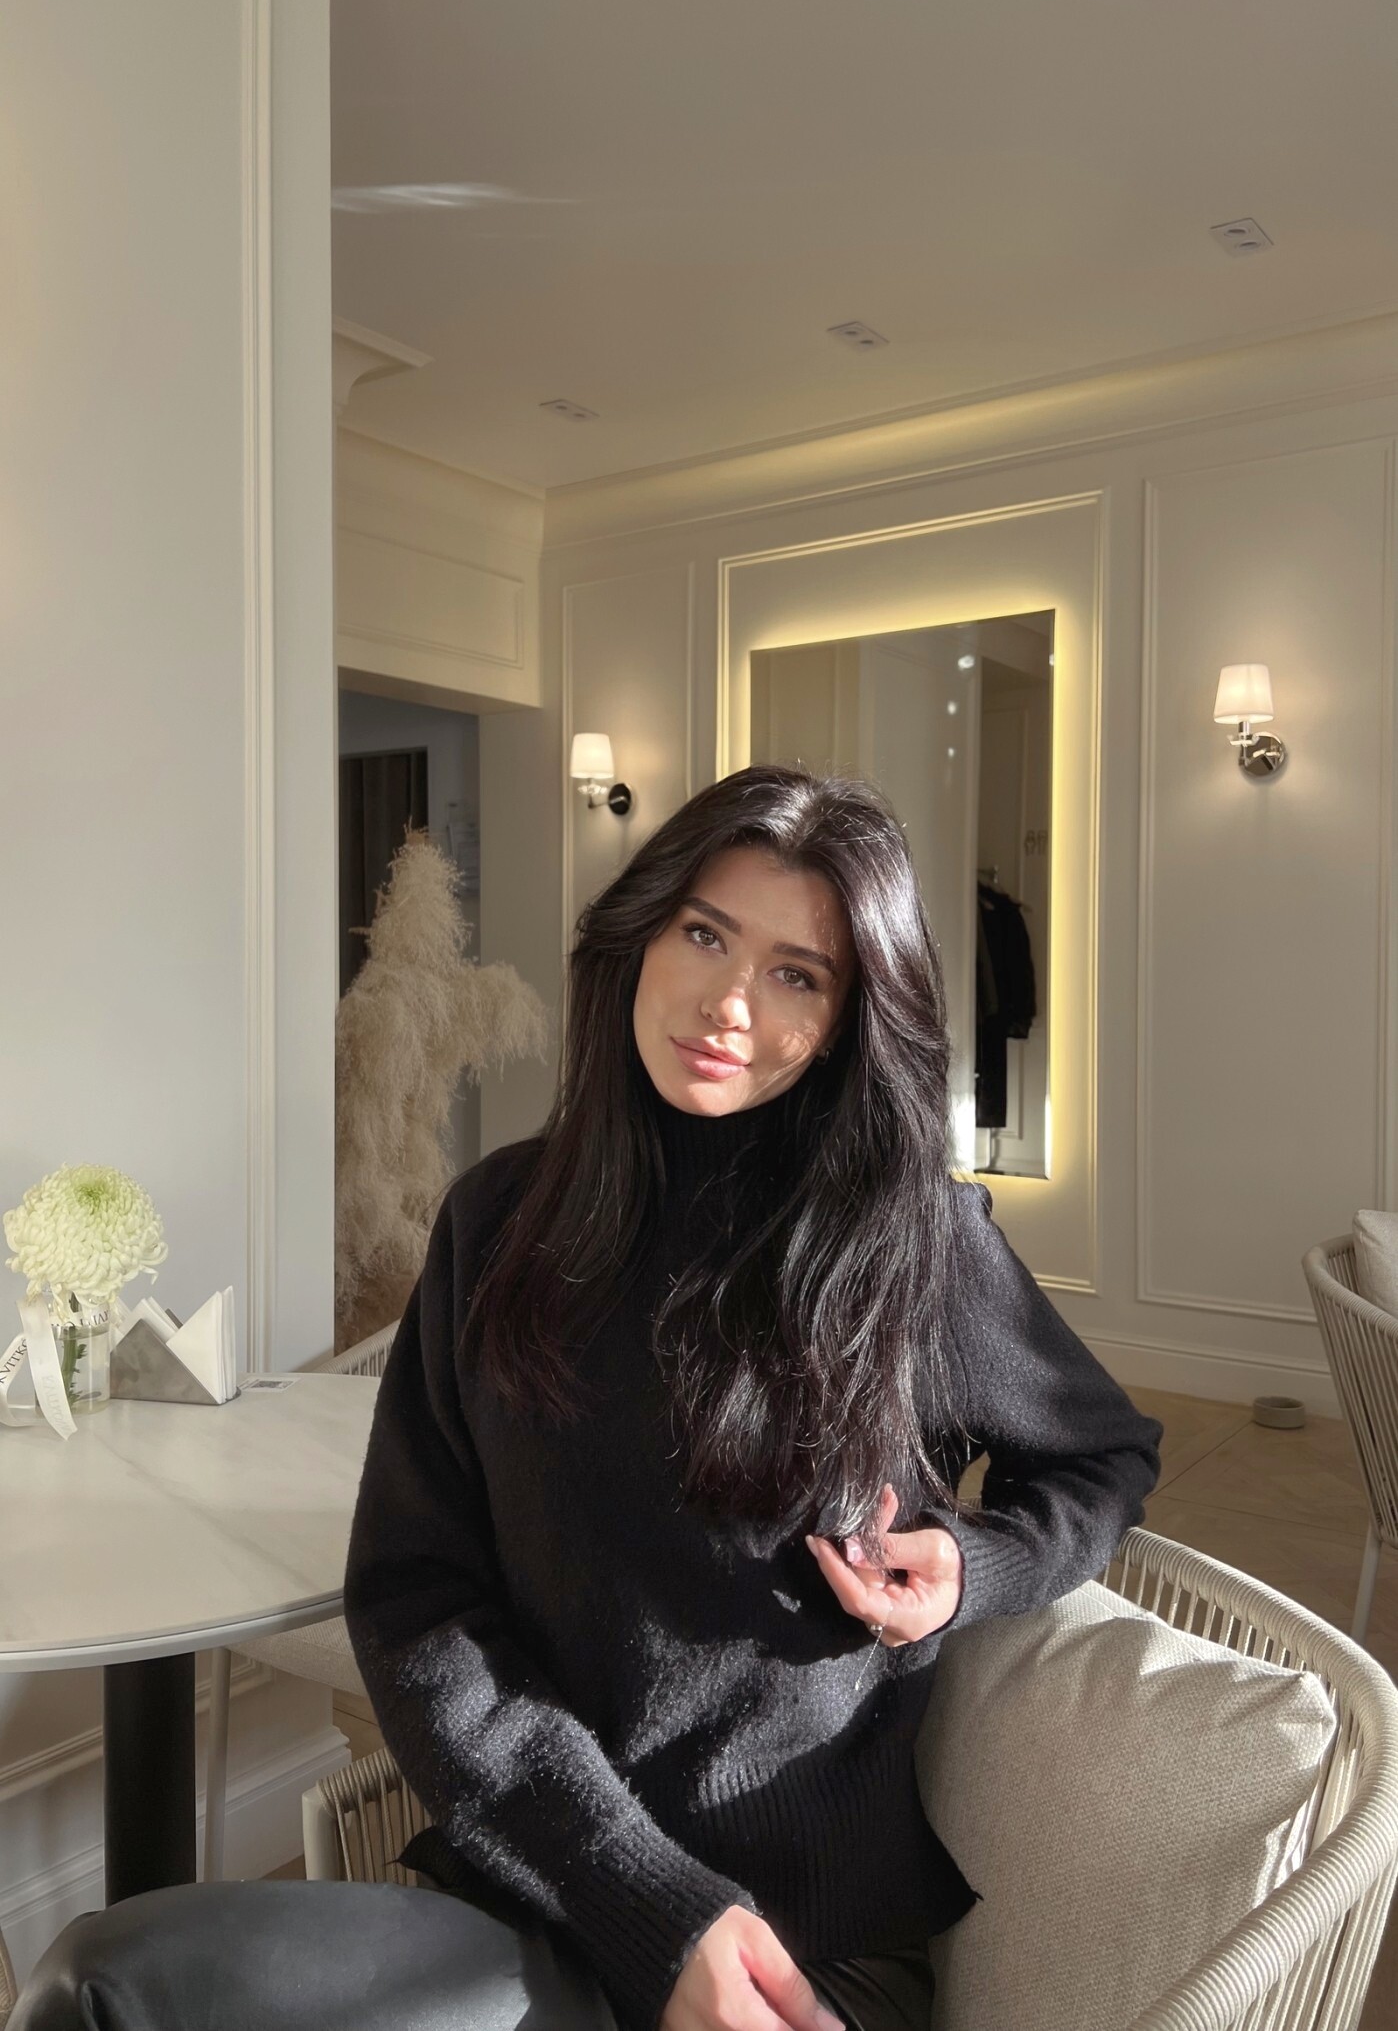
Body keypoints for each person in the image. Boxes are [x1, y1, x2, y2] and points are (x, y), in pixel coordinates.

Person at [11, 764, 1163, 2031]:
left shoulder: (917, 1250)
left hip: (796, 1957)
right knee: (96, 1985)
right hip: (540, 1903)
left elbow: (1105, 1457)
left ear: (846, 1020)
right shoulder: (499, 1221)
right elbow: (417, 1603)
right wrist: (644, 1901)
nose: (729, 1003)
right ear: (640, 935)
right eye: (705, 935)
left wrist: (971, 1567)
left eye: (796, 974)